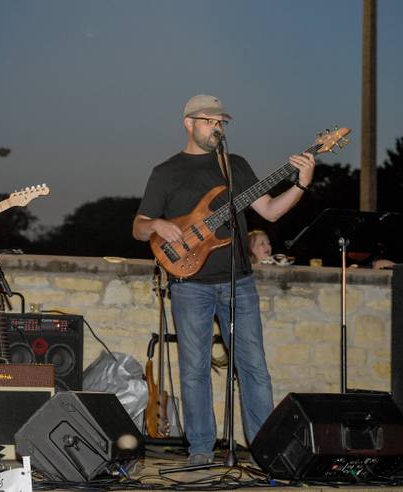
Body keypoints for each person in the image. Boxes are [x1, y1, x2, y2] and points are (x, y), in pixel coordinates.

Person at [132, 94, 315, 465]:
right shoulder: (166, 172)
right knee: (195, 370)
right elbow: (138, 227)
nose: (216, 127)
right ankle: (200, 450)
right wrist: (158, 225)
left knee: (253, 366)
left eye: (221, 122)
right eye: (208, 121)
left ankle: (266, 452)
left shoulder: (236, 166)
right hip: (189, 285)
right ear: (188, 123)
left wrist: (301, 184)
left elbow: (270, 211)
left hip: (239, 282)